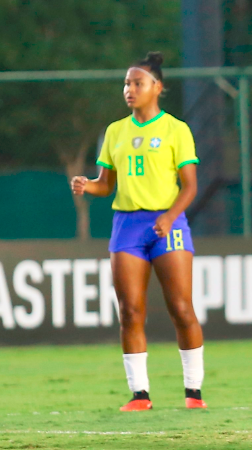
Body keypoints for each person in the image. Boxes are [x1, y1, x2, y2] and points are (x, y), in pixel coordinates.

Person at [70, 52, 206, 411]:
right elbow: (106, 184)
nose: (130, 89)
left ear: (157, 88)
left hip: (168, 222)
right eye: (127, 83)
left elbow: (190, 186)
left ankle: (194, 393)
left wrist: (169, 217)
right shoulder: (116, 131)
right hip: (127, 225)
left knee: (180, 307)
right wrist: (89, 185)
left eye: (137, 83)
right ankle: (140, 395)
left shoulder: (176, 129)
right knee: (130, 310)